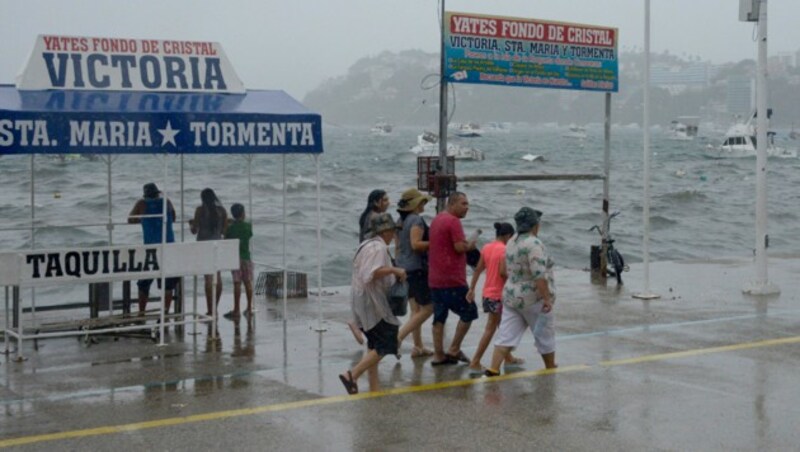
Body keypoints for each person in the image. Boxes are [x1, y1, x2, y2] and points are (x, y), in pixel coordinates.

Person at [339, 213, 407, 395]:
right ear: (385, 231)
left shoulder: (365, 245)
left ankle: (374, 385)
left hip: (361, 298)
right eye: (392, 231)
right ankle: (352, 375)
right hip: (372, 302)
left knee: (374, 342)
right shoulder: (378, 248)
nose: (393, 235)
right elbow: (372, 273)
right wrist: (395, 269)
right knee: (387, 343)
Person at [485, 207, 557, 377]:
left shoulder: (512, 241)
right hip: (533, 299)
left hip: (511, 296)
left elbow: (504, 269)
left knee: (506, 335)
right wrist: (546, 299)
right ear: (535, 225)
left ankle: (493, 369)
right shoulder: (534, 244)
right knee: (544, 334)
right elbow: (539, 275)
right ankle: (550, 366)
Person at [427, 191, 479, 366]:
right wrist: (470, 245)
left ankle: (438, 354)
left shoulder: (437, 219)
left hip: (435, 278)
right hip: (452, 279)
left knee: (439, 316)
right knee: (469, 311)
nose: (467, 207)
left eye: (467, 204)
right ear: (453, 204)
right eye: (463, 204)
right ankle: (454, 348)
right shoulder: (453, 221)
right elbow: (458, 247)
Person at [465, 222, 522, 372]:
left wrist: (471, 288)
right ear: (508, 236)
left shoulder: (487, 248)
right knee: (491, 328)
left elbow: (477, 270)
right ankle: (475, 361)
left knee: (502, 326)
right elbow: (503, 273)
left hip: (487, 294)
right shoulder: (504, 250)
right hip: (499, 295)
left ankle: (508, 358)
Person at [127, 182, 179, 315]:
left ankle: (142, 312)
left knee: (144, 283)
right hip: (169, 246)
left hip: (151, 249)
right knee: (168, 284)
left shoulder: (142, 203)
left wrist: (143, 220)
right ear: (157, 193)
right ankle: (166, 312)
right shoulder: (166, 202)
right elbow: (173, 218)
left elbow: (130, 219)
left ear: (145, 195)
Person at [395, 188, 434, 358]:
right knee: (429, 308)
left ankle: (418, 347)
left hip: (402, 268)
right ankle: (399, 337)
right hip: (416, 269)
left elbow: (397, 246)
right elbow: (416, 244)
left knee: (415, 309)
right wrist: (436, 242)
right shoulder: (416, 220)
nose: (424, 204)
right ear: (416, 204)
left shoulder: (400, 220)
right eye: (422, 201)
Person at [349, 189, 390, 344]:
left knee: (365, 298)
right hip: (371, 260)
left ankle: (358, 325)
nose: (388, 203)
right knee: (373, 301)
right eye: (385, 200)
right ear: (376, 202)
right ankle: (377, 340)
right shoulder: (376, 218)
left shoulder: (365, 216)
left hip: (363, 258)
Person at [190, 188, 228, 317]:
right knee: (218, 277)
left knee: (208, 279)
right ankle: (215, 307)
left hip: (204, 246)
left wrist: (191, 224)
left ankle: (210, 309)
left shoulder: (200, 210)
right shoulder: (222, 211)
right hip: (217, 245)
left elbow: (194, 230)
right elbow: (224, 231)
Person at [223, 203, 254, 321]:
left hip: (235, 258)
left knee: (237, 284)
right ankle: (249, 308)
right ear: (243, 214)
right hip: (246, 257)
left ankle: (236, 309)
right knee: (247, 282)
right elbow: (250, 235)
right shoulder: (248, 226)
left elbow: (226, 238)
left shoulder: (231, 228)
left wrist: (228, 224)